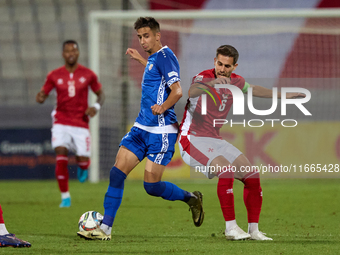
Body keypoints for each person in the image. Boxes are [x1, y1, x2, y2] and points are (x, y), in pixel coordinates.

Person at [77, 17, 204, 241]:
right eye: (139, 37)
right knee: (116, 173)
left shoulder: (166, 56)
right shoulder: (155, 58)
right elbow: (156, 73)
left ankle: (191, 198)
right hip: (140, 128)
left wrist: (162, 107)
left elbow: (177, 91)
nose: (142, 41)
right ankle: (105, 229)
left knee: (151, 186)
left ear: (157, 35)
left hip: (161, 131)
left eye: (146, 36)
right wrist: (141, 60)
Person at [178, 45, 305, 241]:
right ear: (214, 61)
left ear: (234, 66)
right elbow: (192, 91)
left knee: (252, 176)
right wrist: (212, 83)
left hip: (214, 139)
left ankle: (254, 230)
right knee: (226, 171)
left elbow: (253, 89)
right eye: (219, 64)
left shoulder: (236, 82)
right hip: (192, 138)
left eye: (227, 66)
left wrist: (283, 96)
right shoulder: (203, 78)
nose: (222, 69)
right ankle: (231, 228)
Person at [36, 40, 105, 208]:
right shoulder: (54, 75)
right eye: (67, 51)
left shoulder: (88, 74)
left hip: (81, 122)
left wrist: (95, 107)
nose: (71, 54)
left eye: (74, 50)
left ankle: (83, 166)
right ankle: (65, 197)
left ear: (78, 53)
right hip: (61, 120)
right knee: (60, 153)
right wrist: (41, 96)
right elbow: (43, 93)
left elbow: (100, 94)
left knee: (83, 160)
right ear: (63, 54)